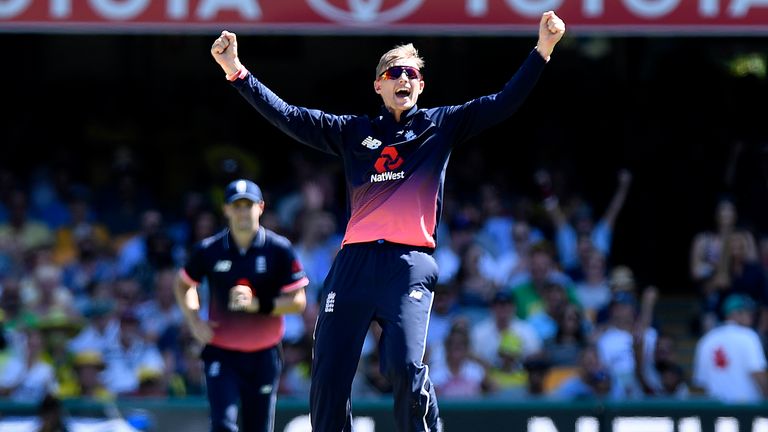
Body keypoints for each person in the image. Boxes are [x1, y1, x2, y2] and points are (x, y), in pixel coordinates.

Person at [210, 11, 565, 432]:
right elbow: (289, 115)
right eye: (394, 72)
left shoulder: (441, 125)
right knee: (328, 375)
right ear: (378, 84)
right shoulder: (353, 132)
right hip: (354, 266)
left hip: (409, 264)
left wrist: (543, 49)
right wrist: (236, 71)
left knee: (403, 363)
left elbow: (503, 102)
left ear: (421, 85)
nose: (405, 79)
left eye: (412, 74)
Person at [174, 179, 309, 432]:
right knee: (223, 426)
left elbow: (298, 301)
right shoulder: (209, 249)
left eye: (248, 205)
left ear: (260, 207)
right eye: (237, 206)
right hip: (221, 353)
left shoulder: (279, 249)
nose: (243, 211)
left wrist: (256, 304)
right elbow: (183, 284)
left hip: (264, 354)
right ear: (226, 210)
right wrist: (194, 321)